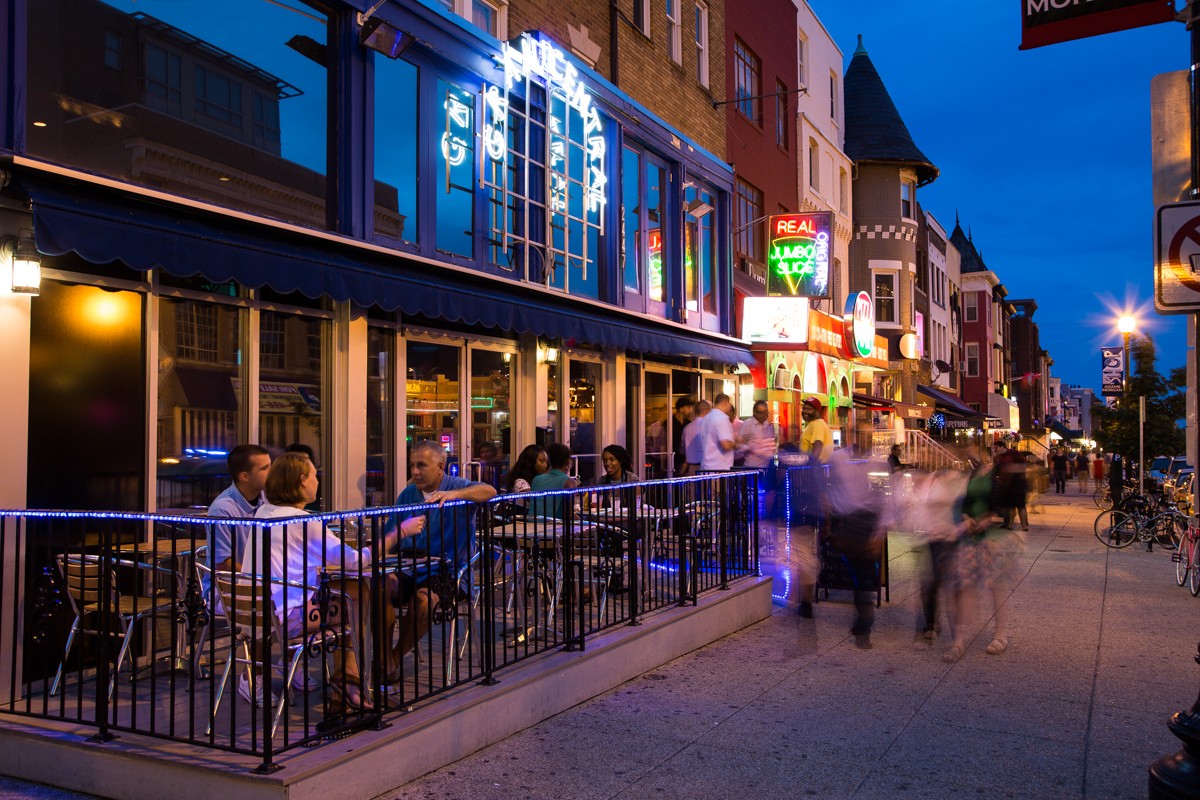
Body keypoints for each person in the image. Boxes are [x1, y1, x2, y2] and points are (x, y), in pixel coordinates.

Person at [243, 452, 403, 710]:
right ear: (303, 480)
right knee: (356, 599)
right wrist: (398, 533)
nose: (318, 481)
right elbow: (354, 560)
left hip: (253, 615)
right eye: (315, 476)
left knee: (354, 593)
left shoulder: (264, 512)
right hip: (286, 620)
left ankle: (349, 685)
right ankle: (349, 685)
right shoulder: (304, 521)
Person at [389, 441, 497, 665]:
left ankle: (393, 659)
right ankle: (383, 658)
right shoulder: (408, 494)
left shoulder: (456, 485)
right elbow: (390, 534)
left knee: (423, 600)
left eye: (421, 465)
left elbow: (489, 491)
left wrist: (456, 494)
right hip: (410, 568)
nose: (415, 472)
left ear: (440, 466)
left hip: (450, 573)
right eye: (412, 466)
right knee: (378, 589)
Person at [825, 438, 885, 649]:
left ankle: (864, 622)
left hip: (866, 521)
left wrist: (880, 528)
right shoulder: (839, 458)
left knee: (863, 575)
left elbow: (884, 498)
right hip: (850, 521)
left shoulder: (874, 462)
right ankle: (864, 620)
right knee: (860, 573)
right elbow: (831, 486)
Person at [207, 444, 271, 572]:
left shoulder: (268, 500)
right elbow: (223, 564)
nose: (272, 472)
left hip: (260, 584)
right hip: (229, 587)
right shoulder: (222, 510)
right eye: (265, 468)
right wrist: (261, 580)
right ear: (244, 476)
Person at [738, 400, 778, 518]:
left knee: (768, 495)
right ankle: (752, 519)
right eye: (761, 413)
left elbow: (774, 444)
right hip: (753, 467)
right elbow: (739, 446)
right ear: (754, 412)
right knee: (753, 496)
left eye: (766, 413)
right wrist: (751, 448)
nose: (764, 416)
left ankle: (767, 518)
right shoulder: (747, 425)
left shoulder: (769, 425)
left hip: (768, 467)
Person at [529, 442, 578, 519]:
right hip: (553, 527)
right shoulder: (569, 483)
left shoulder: (537, 479)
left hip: (532, 525)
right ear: (568, 461)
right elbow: (569, 514)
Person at [698, 393, 736, 472]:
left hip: (706, 467)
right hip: (720, 468)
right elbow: (725, 445)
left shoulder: (706, 418)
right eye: (729, 404)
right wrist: (738, 443)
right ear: (725, 403)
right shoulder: (722, 418)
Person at [681, 400, 711, 476]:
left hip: (692, 468)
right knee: (709, 488)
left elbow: (682, 448)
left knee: (693, 488)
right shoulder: (709, 426)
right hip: (708, 467)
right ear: (707, 411)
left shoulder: (687, 428)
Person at [799, 397, 833, 463]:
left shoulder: (817, 424)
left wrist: (810, 465)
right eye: (804, 408)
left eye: (809, 409)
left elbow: (818, 444)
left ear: (817, 411)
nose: (805, 411)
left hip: (815, 469)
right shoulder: (813, 424)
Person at [672, 397, 695, 477]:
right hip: (673, 460)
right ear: (681, 409)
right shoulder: (670, 423)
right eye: (688, 407)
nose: (690, 410)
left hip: (685, 459)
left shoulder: (688, 423)